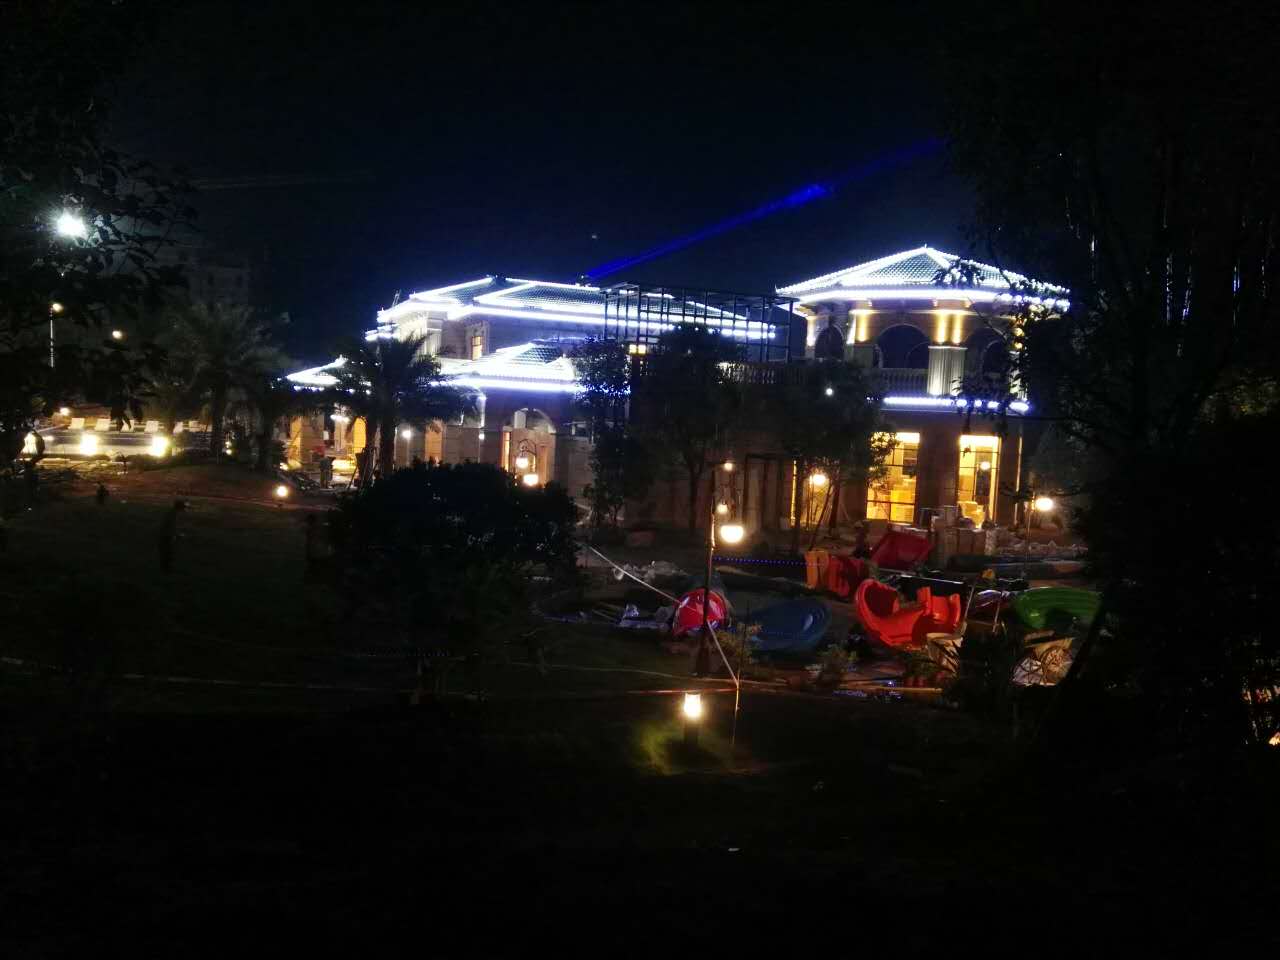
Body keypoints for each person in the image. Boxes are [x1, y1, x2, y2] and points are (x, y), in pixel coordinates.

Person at [157, 499, 186, 574]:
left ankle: (165, 568)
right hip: (166, 536)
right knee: (168, 553)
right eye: (183, 508)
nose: (183, 510)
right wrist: (178, 535)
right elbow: (172, 527)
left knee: (166, 553)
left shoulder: (171, 513)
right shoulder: (173, 515)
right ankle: (166, 569)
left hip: (164, 535)